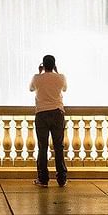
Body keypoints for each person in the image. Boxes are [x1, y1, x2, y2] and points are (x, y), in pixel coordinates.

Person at [29, 54, 68, 188]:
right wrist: (56, 72)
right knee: (58, 147)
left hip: (42, 114)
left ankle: (43, 179)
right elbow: (65, 89)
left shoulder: (37, 78)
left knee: (42, 147)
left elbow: (31, 89)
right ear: (54, 65)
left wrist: (40, 73)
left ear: (43, 65)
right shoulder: (61, 77)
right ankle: (61, 178)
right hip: (57, 113)